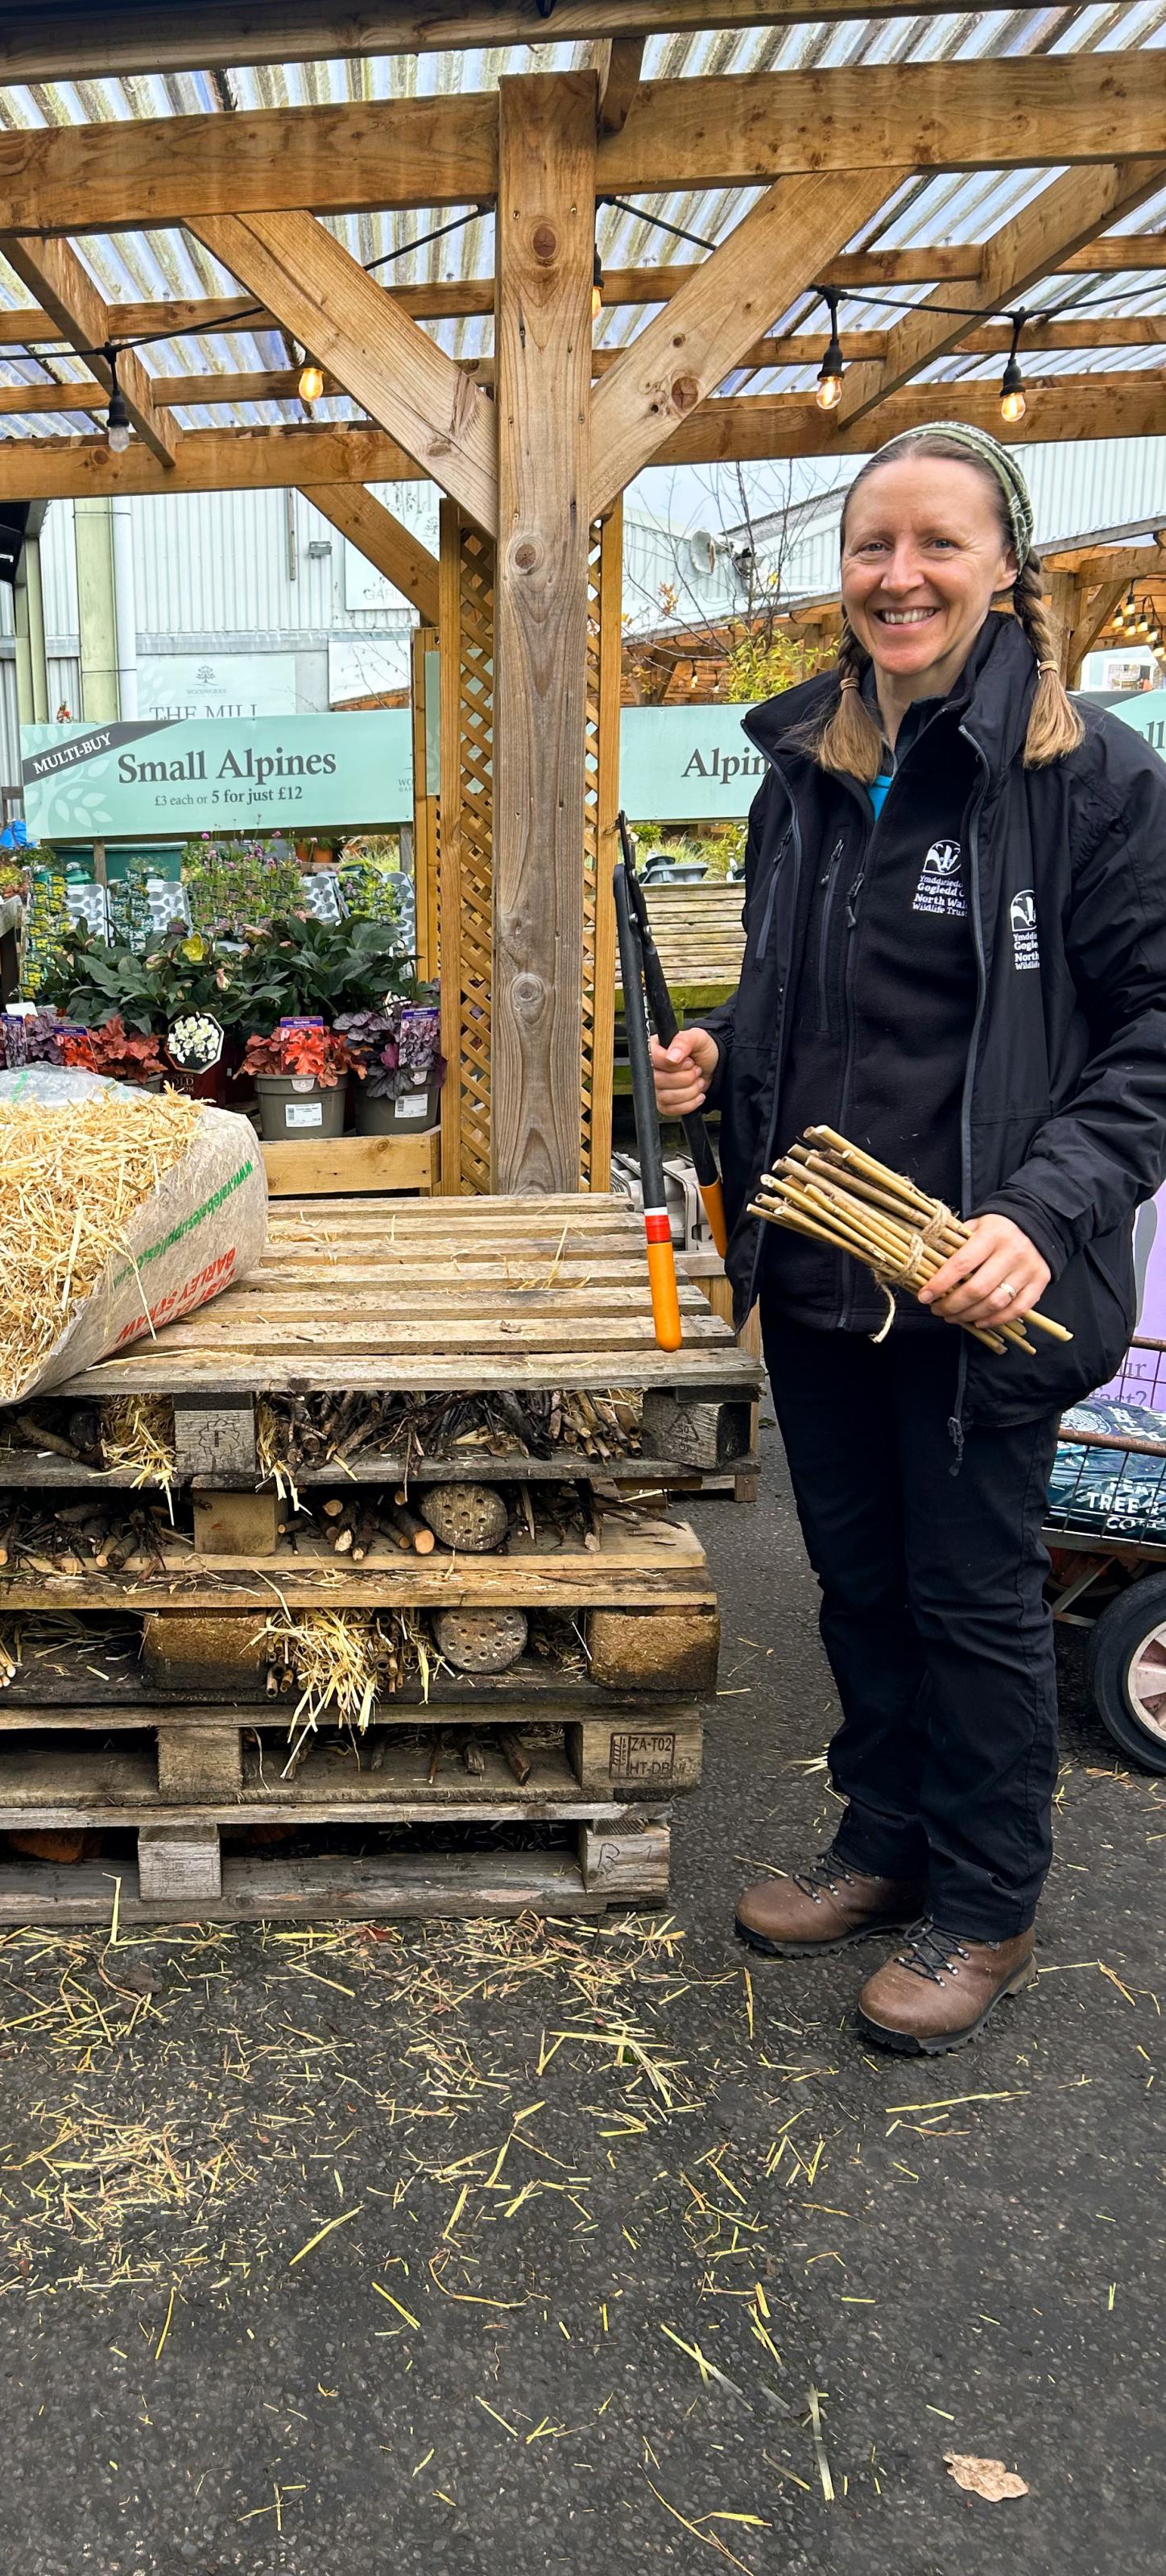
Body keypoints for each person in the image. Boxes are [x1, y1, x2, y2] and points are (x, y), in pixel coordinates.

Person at [652, 423, 1166, 2055]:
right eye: (876, 545)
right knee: (858, 1584)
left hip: (976, 1288)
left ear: (1006, 564)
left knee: (972, 1599)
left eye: (939, 544)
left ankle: (987, 1901)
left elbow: (1153, 1032)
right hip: (822, 1275)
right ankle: (882, 1844)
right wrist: (723, 1059)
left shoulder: (1089, 777)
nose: (902, 576)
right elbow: (813, 995)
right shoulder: (801, 772)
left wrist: (1041, 1211)